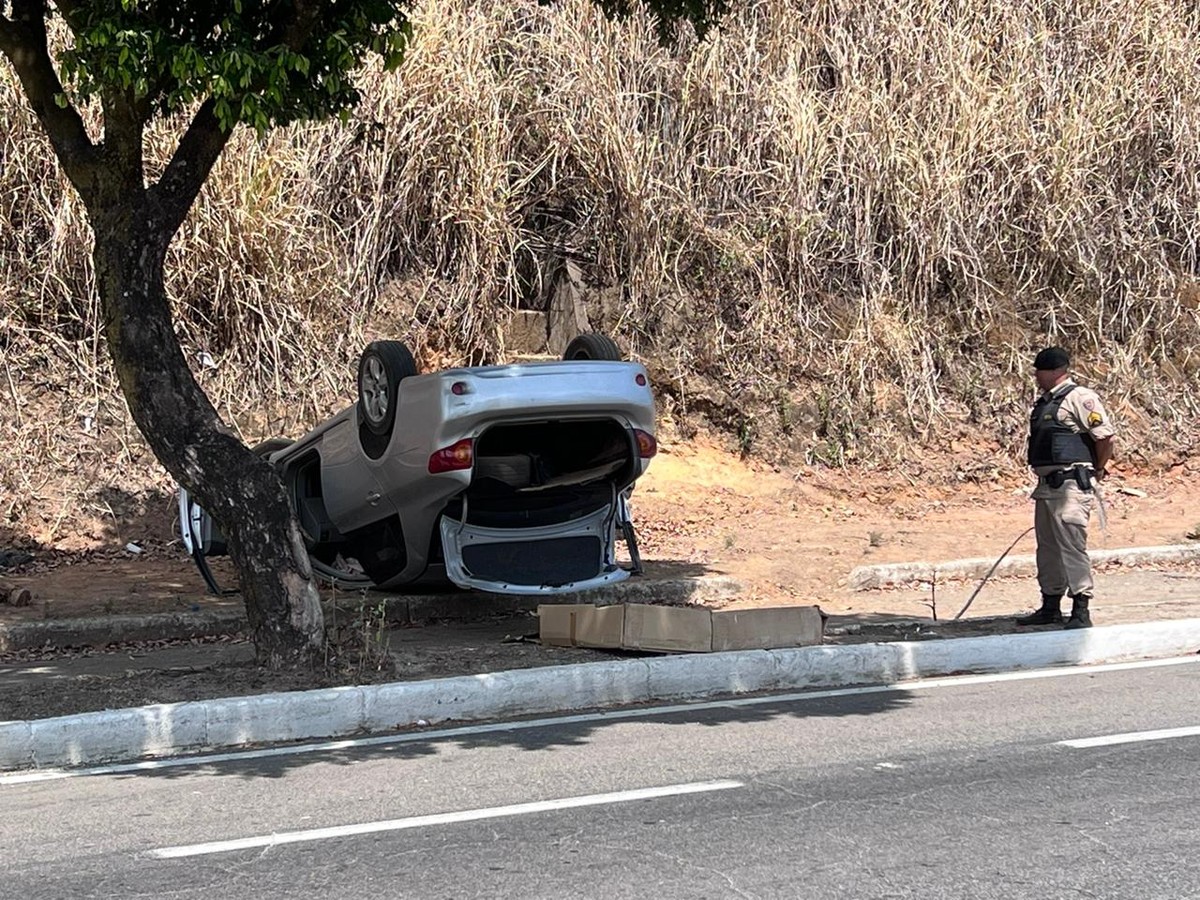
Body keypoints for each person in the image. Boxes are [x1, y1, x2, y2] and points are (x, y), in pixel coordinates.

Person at [1015, 346, 1115, 629]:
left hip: (1071, 484)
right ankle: (1050, 606)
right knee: (1047, 549)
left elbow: (1105, 437)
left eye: (1040, 371)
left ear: (1057, 371)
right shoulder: (1045, 402)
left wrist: (1097, 468)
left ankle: (1081, 610)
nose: (1036, 376)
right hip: (1047, 487)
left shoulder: (1081, 398)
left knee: (1072, 547)